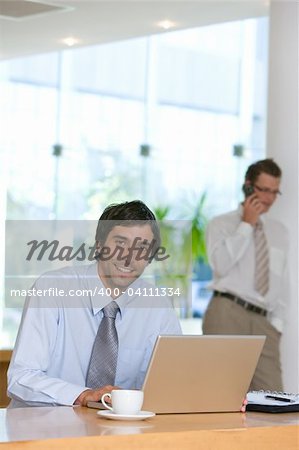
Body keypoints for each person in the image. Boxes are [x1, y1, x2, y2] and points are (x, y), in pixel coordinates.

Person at [7, 200, 181, 407]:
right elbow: (21, 378)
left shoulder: (159, 307)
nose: (128, 257)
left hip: (118, 432)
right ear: (99, 245)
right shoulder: (51, 288)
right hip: (42, 427)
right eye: (120, 243)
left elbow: (173, 383)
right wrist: (83, 395)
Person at [202, 159, 289, 391]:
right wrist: (247, 225)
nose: (269, 198)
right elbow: (220, 265)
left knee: (274, 396)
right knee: (223, 392)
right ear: (248, 185)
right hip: (227, 313)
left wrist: (277, 324)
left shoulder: (279, 231)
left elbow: (282, 282)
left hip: (264, 321)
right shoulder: (221, 224)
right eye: (263, 190)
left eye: (274, 191)